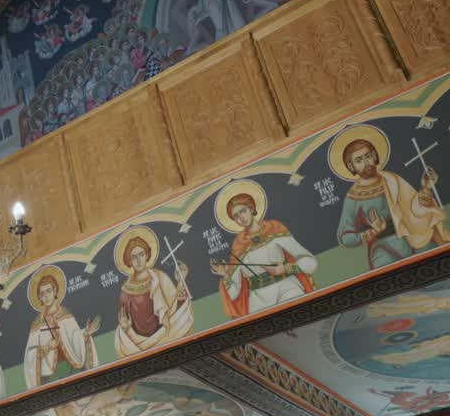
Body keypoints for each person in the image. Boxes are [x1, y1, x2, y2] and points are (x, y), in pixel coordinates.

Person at [334, 127, 445, 269]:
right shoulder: (353, 197)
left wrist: (425, 189)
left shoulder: (391, 179)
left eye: (368, 156)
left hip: (410, 236)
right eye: (359, 160)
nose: (366, 163)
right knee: (388, 271)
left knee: (437, 260)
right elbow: (344, 237)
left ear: (374, 156)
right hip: (383, 247)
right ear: (351, 166)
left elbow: (413, 209)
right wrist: (373, 231)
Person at [211, 181, 318, 317]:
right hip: (258, 298)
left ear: (251, 209)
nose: (241, 218)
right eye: (236, 216)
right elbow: (234, 293)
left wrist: (285, 268)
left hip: (287, 287)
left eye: (243, 211)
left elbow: (311, 262)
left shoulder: (274, 229)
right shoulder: (238, 245)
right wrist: (225, 275)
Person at [113, 226, 194, 358]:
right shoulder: (125, 291)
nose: (138, 260)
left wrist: (181, 282)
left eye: (141, 254)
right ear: (129, 261)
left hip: (167, 334)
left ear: (147, 255)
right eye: (134, 257)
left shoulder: (160, 278)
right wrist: (126, 328)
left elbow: (175, 307)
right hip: (138, 343)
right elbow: (125, 321)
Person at [23, 265, 99, 390]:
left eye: (48, 291)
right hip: (52, 374)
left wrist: (85, 333)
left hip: (72, 366)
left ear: (55, 291)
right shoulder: (37, 323)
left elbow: (75, 337)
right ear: (39, 298)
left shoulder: (65, 314)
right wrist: (47, 347)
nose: (46, 296)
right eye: (42, 294)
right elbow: (29, 355)